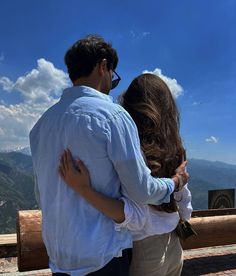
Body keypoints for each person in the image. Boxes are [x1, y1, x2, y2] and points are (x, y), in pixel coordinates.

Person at [30, 35, 188, 276]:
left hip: (60, 255)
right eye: (113, 77)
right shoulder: (112, 116)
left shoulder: (40, 126)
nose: (111, 85)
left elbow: (42, 193)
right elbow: (141, 191)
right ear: (103, 67)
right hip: (103, 254)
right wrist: (175, 183)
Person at [59, 74, 192, 276]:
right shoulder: (174, 146)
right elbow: (185, 206)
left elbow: (133, 212)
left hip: (142, 248)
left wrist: (84, 190)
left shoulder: (130, 145)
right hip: (173, 244)